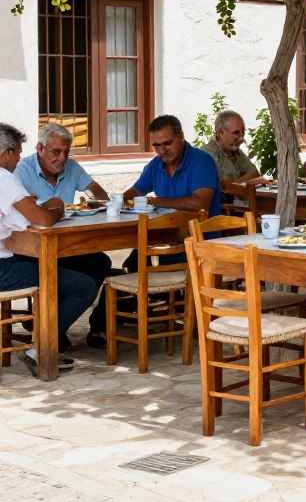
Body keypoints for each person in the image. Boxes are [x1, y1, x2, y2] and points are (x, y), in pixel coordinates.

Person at [0, 123, 97, 375]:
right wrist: (57, 208)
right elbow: (42, 220)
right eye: (17, 153)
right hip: (5, 269)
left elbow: (20, 218)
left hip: (9, 261)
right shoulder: (5, 178)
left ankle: (47, 332)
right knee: (83, 286)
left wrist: (38, 208)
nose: (19, 159)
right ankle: (40, 347)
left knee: (87, 264)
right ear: (7, 153)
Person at [15, 122, 113, 348]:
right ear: (40, 148)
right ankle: (49, 333)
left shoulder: (72, 167)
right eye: (56, 152)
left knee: (101, 262)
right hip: (32, 249)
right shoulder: (22, 170)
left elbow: (99, 194)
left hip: (66, 244)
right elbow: (23, 213)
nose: (62, 158)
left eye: (66, 152)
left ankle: (58, 325)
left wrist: (94, 200)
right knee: (78, 282)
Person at [122, 115, 221, 269]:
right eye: (156, 145)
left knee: (135, 265)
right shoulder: (156, 165)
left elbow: (200, 203)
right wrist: (115, 201)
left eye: (167, 143)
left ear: (181, 137)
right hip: (167, 239)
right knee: (130, 265)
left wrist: (155, 201)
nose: (162, 150)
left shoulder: (201, 161)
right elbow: (134, 192)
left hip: (200, 245)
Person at [201, 110, 264, 191]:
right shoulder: (206, 155)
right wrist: (242, 182)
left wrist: (233, 184)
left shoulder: (236, 151)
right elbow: (220, 189)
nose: (241, 139)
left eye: (243, 133)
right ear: (220, 132)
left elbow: (255, 175)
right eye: (236, 133)